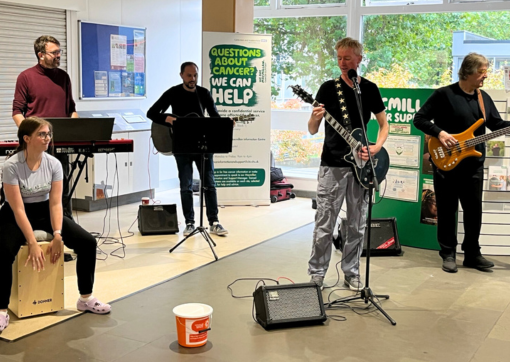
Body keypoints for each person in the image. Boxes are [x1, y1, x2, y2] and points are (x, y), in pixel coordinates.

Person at [0, 117, 111, 332]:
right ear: (26, 138)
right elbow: (18, 209)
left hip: (44, 210)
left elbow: (55, 203)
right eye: (41, 134)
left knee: (87, 242)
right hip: (16, 212)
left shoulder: (54, 164)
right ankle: (1, 310)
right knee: (3, 251)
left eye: (48, 134)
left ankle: (86, 298)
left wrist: (58, 234)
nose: (47, 138)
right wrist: (32, 241)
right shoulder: (11, 166)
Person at [414, 52, 510, 273]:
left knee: (474, 211)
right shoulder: (443, 94)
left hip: (473, 166)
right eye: (481, 72)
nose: (485, 76)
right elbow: (419, 119)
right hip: (446, 163)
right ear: (468, 72)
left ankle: (472, 254)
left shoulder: (483, 98)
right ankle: (447, 254)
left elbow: (495, 124)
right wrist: (440, 133)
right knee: (447, 210)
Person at [308, 38, 389, 291]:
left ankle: (352, 272)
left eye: (347, 58)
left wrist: (376, 146)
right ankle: (317, 273)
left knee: (357, 224)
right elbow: (312, 130)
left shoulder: (370, 89)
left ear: (359, 59)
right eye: (339, 58)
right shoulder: (326, 88)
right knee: (324, 224)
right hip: (332, 165)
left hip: (362, 166)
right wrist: (313, 117)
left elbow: (384, 124)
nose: (342, 63)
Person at [147, 62, 228, 236]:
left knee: (210, 184)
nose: (193, 79)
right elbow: (152, 112)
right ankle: (190, 223)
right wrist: (167, 119)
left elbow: (214, 116)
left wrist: (225, 124)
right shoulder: (173, 92)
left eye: (195, 75)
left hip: (203, 145)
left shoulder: (203, 93)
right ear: (182, 75)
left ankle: (214, 222)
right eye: (189, 75)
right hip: (181, 145)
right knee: (186, 185)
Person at [12, 35, 78, 219]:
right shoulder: (26, 77)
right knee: (36, 187)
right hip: (36, 145)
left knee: (62, 185)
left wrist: (76, 129)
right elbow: (17, 111)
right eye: (54, 52)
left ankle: (64, 225)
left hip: (60, 143)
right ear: (41, 55)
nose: (59, 55)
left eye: (59, 52)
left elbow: (71, 109)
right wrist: (30, 136)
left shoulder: (63, 77)